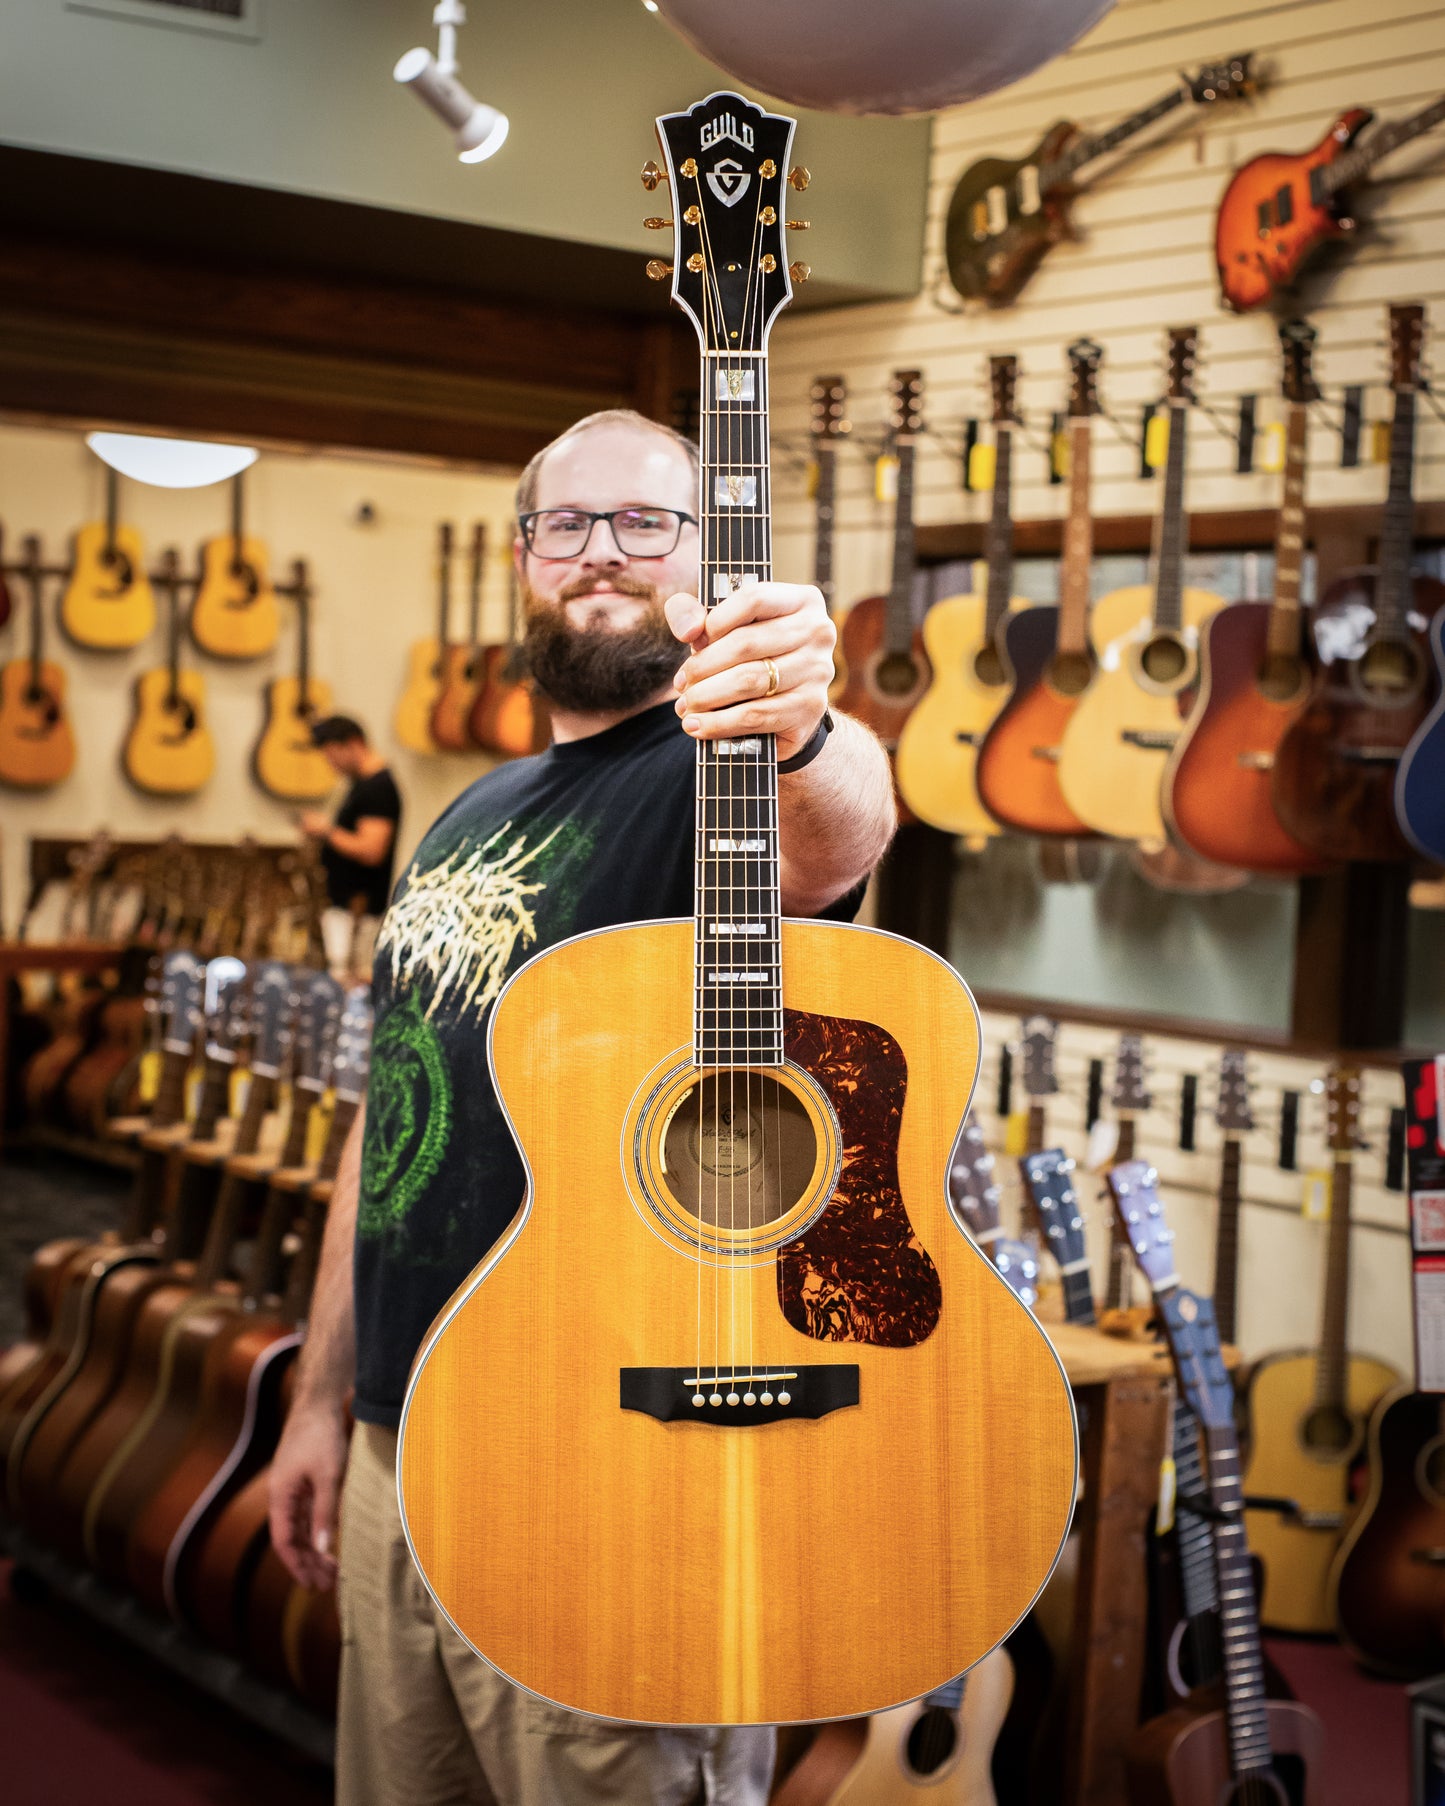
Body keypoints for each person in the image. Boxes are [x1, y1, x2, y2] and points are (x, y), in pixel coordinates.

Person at [270, 408, 897, 1806]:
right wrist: (320, 1397)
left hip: (604, 1473)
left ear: (709, 552)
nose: (601, 552)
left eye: (645, 523)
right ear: (523, 557)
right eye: (568, 523)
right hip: (401, 1437)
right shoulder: (469, 812)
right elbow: (392, 1116)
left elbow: (842, 828)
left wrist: (804, 729)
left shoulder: (719, 782)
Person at [300, 716, 402, 980]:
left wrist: (326, 831)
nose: (330, 763)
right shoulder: (359, 785)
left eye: (333, 755)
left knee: (348, 984)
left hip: (359, 912)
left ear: (353, 744)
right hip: (344, 910)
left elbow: (371, 850)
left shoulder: (378, 788)